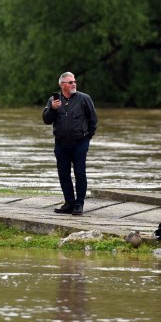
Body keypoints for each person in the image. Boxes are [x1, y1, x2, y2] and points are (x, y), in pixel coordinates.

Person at [42, 71, 98, 215]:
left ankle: (79, 205)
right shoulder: (53, 100)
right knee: (63, 174)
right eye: (70, 82)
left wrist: (87, 138)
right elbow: (46, 120)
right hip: (61, 143)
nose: (74, 84)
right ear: (62, 85)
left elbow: (93, 120)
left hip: (80, 142)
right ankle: (69, 203)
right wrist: (53, 109)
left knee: (80, 173)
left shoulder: (84, 98)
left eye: (74, 81)